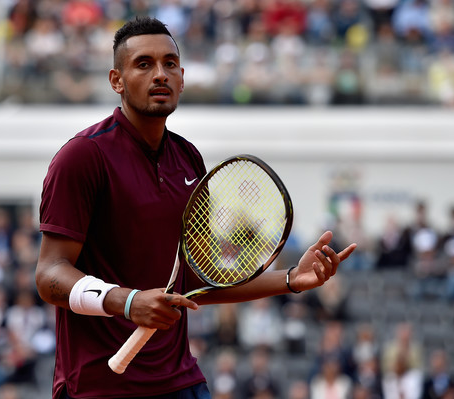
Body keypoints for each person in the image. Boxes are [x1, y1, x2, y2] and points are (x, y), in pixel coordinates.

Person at [35, 16, 357, 399]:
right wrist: (127, 302)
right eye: (144, 64)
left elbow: (201, 279)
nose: (160, 74)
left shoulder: (188, 159)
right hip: (97, 386)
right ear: (116, 80)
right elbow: (49, 276)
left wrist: (289, 280)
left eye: (170, 64)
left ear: (183, 78)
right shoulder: (81, 158)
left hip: (180, 380)